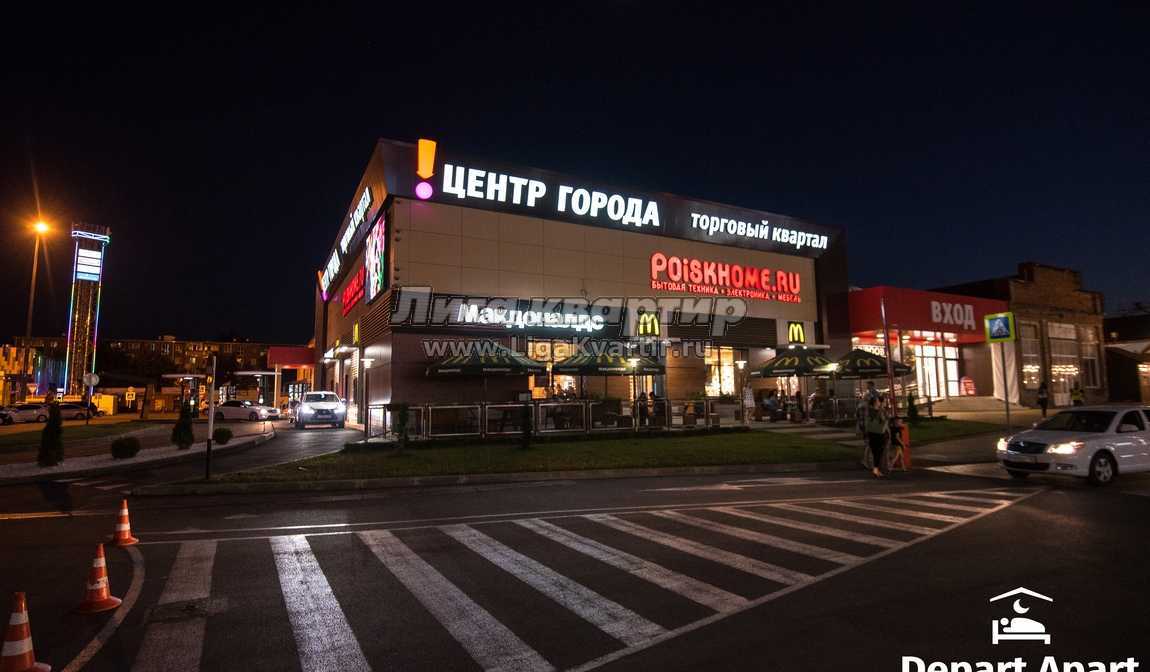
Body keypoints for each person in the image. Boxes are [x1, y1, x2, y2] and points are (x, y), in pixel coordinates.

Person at [864, 396, 888, 478]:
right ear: (875, 402)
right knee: (878, 452)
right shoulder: (877, 411)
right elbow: (882, 420)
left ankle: (876, 469)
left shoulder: (869, 410)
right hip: (878, 433)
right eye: (878, 401)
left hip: (873, 433)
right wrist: (882, 410)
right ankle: (875, 469)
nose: (879, 402)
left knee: (876, 452)